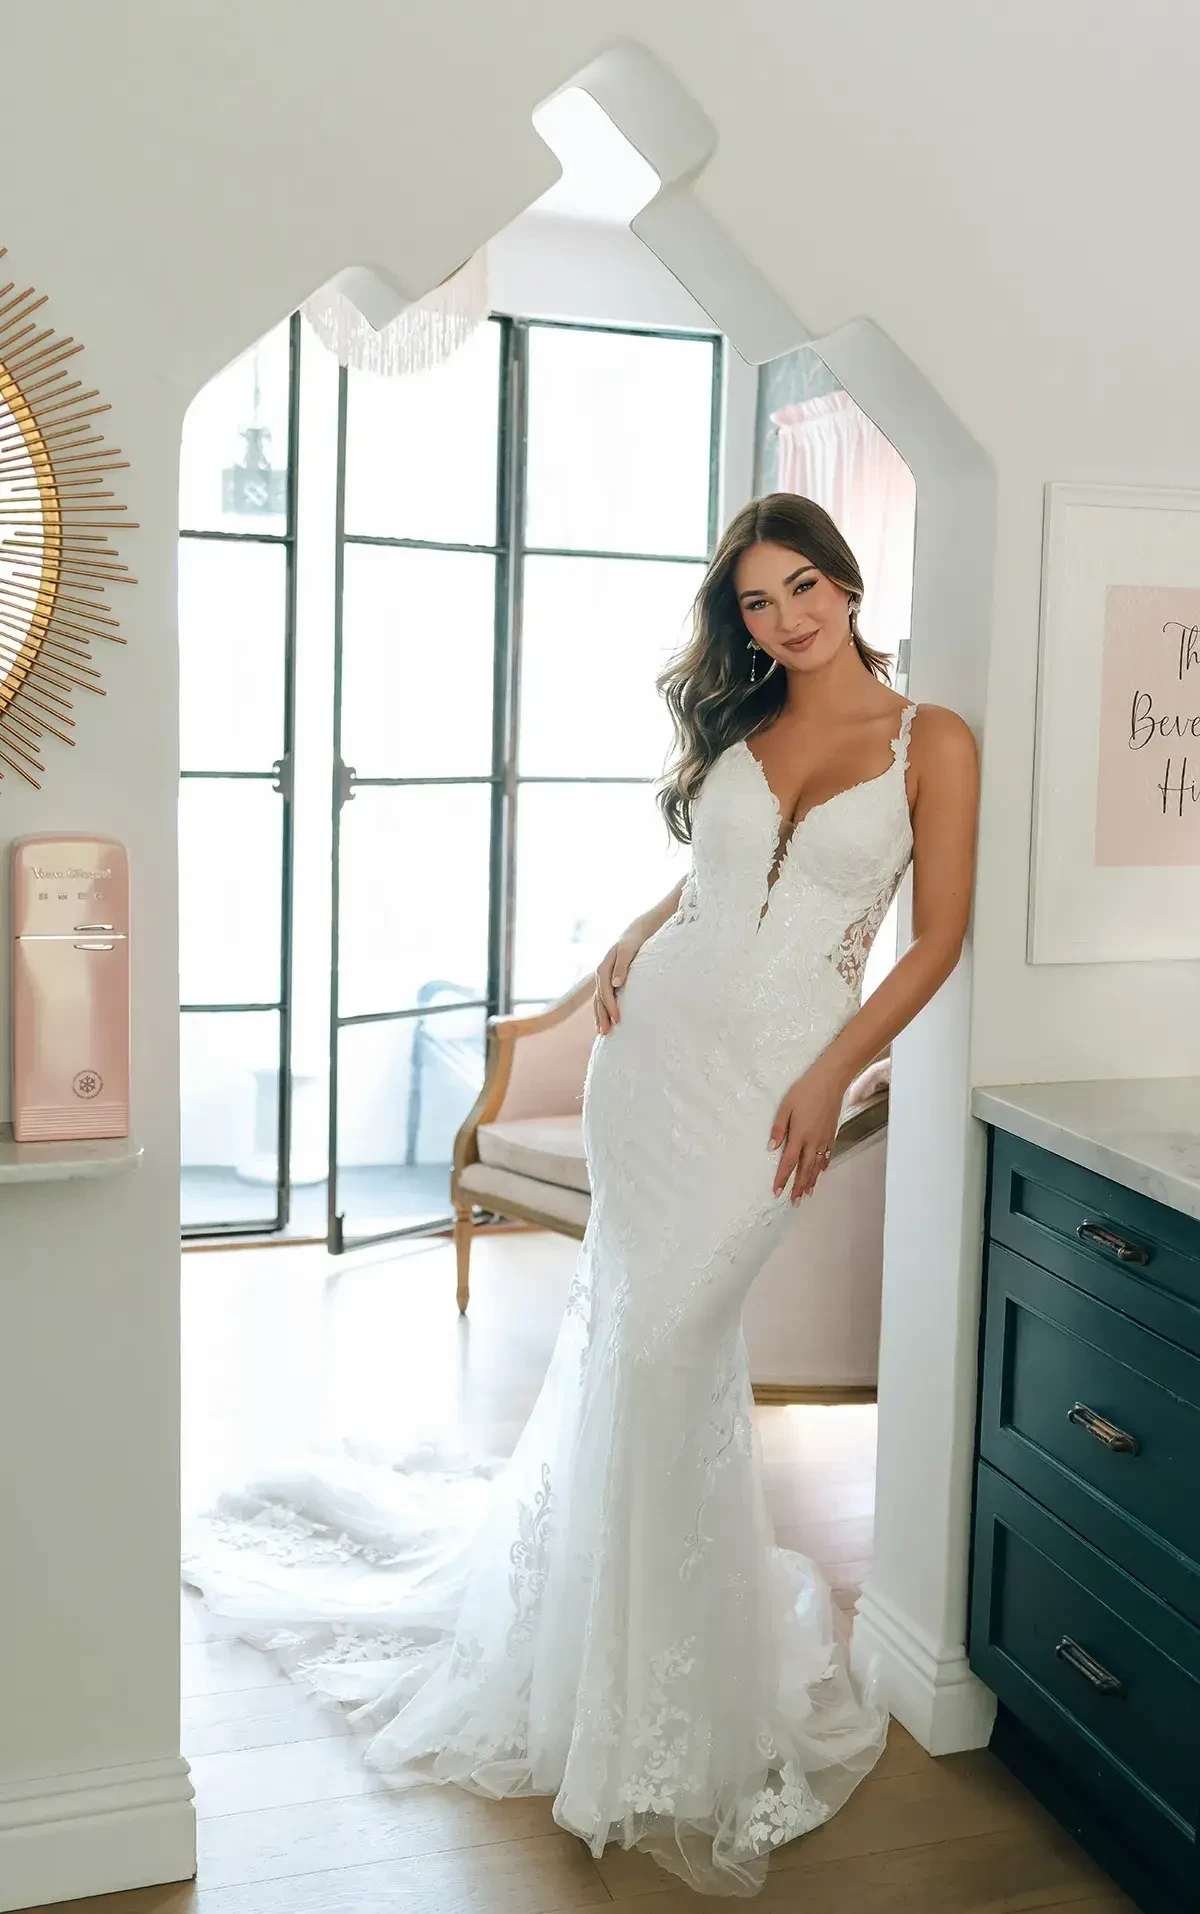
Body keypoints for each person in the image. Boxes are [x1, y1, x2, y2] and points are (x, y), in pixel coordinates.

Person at [182, 492, 979, 1898]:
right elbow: (713, 875)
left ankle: (659, 1705)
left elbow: (939, 938)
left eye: (804, 589)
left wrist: (837, 1076)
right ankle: (604, 1677)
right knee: (636, 1349)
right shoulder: (748, 722)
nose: (784, 619)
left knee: (673, 1346)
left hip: (772, 1089)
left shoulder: (932, 740)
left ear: (849, 588)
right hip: (653, 1062)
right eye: (755, 604)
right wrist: (626, 931)